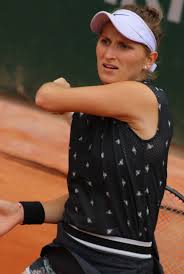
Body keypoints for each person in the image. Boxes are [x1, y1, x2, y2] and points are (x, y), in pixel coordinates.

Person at [0, 4, 173, 274]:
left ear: (149, 60)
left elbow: (46, 97)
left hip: (116, 266)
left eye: (124, 46)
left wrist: (59, 90)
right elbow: (91, 201)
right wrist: (23, 211)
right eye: (105, 41)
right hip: (72, 256)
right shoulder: (91, 115)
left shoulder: (143, 97)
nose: (109, 54)